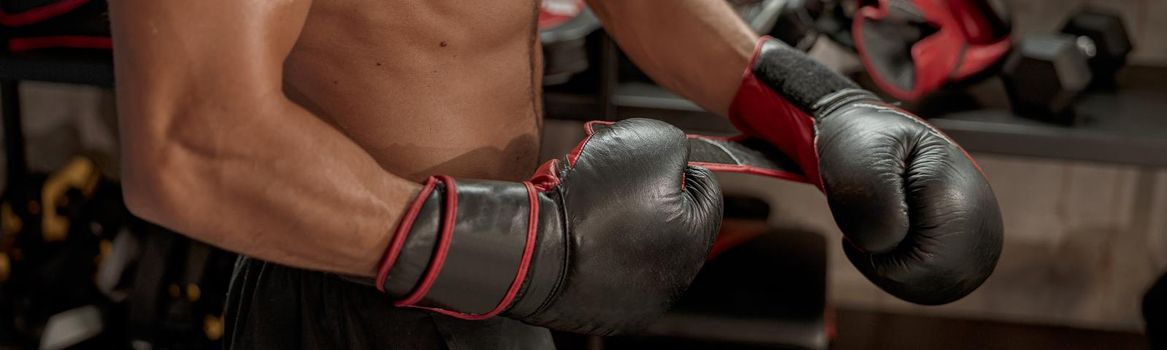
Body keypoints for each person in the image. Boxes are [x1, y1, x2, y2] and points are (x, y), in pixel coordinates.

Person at [109, 0, 1002, 348]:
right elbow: (189, 142)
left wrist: (814, 107)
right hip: (350, 306)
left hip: (516, 287)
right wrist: (533, 253)